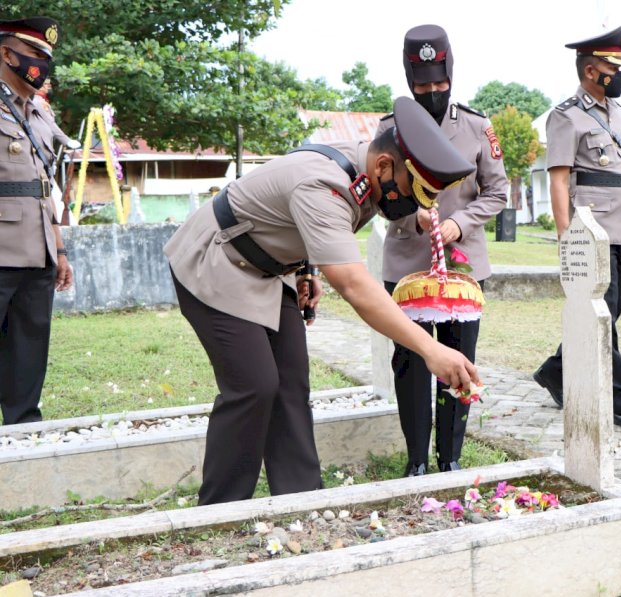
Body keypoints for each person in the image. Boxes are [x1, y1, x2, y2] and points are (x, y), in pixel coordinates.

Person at [165, 96, 480, 505]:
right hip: (216, 261)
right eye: (410, 192)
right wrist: (430, 349)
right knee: (254, 386)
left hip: (269, 268)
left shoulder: (366, 165)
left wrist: (305, 269)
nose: (412, 206)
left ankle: (301, 499)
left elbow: (297, 220)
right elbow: (353, 284)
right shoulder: (326, 184)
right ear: (384, 166)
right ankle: (220, 509)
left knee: (291, 382)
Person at [375, 24, 507, 476]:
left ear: (451, 73)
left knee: (459, 362)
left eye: (440, 83)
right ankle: (416, 459)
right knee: (410, 362)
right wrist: (411, 217)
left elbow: (497, 191)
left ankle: (450, 457)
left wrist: (459, 222)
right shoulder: (388, 130)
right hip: (406, 264)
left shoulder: (476, 126)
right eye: (422, 86)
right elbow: (380, 194)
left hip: (462, 269)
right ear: (408, 80)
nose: (432, 92)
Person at [531, 25, 621, 433]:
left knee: (607, 314)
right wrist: (566, 238)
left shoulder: (620, 113)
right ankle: (620, 400)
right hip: (592, 230)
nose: (618, 75)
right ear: (590, 71)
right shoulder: (565, 116)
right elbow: (559, 181)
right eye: (611, 67)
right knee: (604, 314)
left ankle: (556, 370)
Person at [0, 17, 73, 426]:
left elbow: (46, 186)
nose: (42, 65)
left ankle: (23, 429)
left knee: (28, 350)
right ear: (6, 53)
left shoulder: (40, 113)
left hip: (38, 250)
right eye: (34, 55)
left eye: (46, 58)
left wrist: (59, 250)